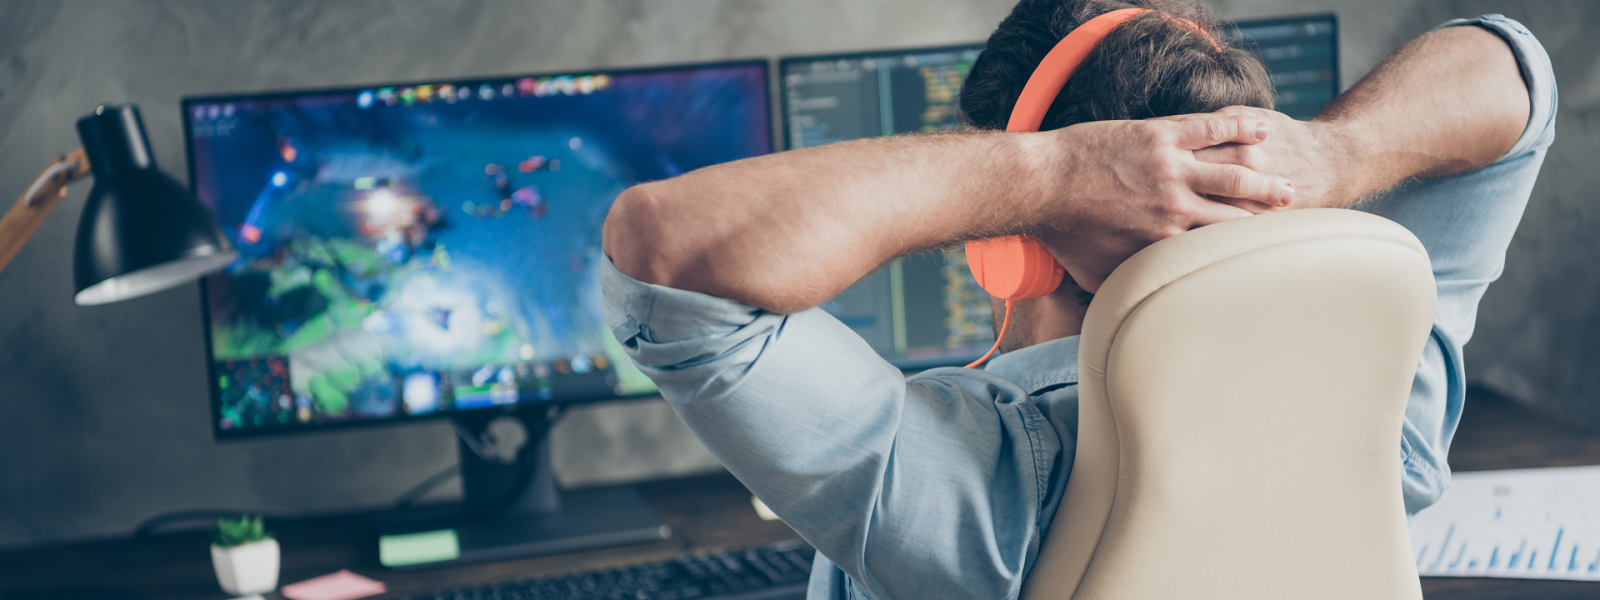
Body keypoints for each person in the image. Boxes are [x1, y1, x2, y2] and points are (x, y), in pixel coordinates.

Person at [600, 0, 1556, 597]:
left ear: (1006, 247)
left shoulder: (968, 489)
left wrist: (1048, 173)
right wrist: (1335, 155)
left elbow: (663, 248)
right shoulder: (1381, 417)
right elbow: (1517, 82)